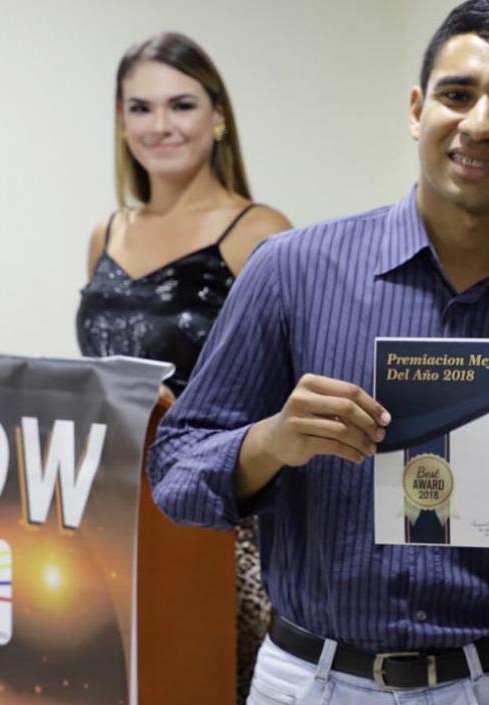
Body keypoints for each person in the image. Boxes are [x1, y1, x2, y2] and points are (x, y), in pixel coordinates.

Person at [147, 3, 489, 704]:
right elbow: (176, 477)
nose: (480, 123)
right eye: (457, 95)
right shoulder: (291, 272)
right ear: (416, 109)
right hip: (309, 680)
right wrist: (273, 440)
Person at [75, 31, 292, 703]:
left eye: (181, 105)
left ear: (218, 116)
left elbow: (286, 393)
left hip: (221, 529)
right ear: (120, 121)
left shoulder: (260, 232)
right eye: (140, 108)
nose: (160, 125)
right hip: (115, 518)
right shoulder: (106, 234)